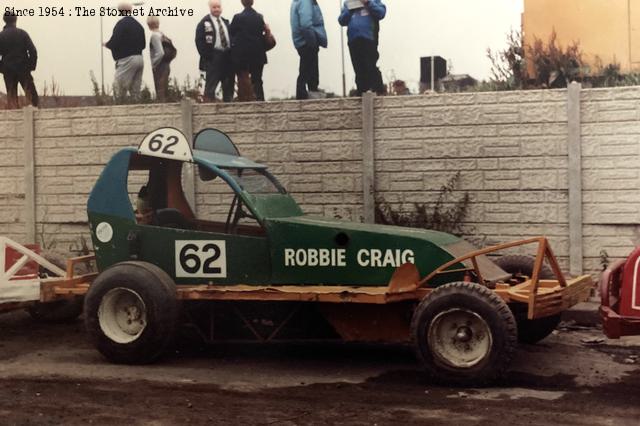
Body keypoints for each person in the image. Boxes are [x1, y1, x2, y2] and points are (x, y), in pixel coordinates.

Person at [338, 0, 386, 95]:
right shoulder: (348, 2)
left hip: (369, 38)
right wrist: (349, 9)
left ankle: (377, 89)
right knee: (358, 66)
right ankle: (361, 90)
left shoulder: (374, 1)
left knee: (370, 64)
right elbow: (341, 20)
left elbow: (381, 12)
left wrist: (368, 3)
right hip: (353, 39)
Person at [230, 0, 271, 101]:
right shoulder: (259, 17)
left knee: (243, 80)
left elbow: (231, 33)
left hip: (242, 55)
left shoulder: (238, 18)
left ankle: (244, 100)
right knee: (257, 79)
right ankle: (260, 100)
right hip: (258, 53)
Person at [104, 2, 146, 100]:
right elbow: (143, 44)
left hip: (127, 60)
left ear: (120, 11)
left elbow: (115, 41)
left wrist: (107, 44)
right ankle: (137, 110)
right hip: (140, 58)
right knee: (135, 91)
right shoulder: (139, 26)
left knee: (119, 89)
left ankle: (118, 110)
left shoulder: (121, 24)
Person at [195, 0, 234, 102]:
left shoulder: (226, 22)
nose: (217, 9)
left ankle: (228, 108)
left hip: (227, 57)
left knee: (228, 86)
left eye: (218, 7)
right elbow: (199, 41)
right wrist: (208, 56)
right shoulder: (204, 23)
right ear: (210, 8)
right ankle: (209, 109)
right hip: (213, 57)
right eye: (214, 7)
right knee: (211, 87)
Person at [290, 0, 327, 100]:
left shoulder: (298, 2)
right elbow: (306, 24)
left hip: (301, 42)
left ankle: (310, 91)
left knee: (307, 70)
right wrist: (313, 41)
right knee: (306, 71)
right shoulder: (305, 2)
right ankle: (304, 95)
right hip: (307, 42)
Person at [0, 13, 38, 109]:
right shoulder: (22, 34)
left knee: (12, 99)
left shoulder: (1, 36)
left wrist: (2, 68)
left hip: (8, 70)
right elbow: (33, 51)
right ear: (15, 20)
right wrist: (31, 66)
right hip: (23, 68)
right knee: (32, 97)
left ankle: (15, 122)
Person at [147, 16, 175, 102]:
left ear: (148, 25)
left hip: (160, 66)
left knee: (160, 91)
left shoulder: (154, 36)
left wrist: (154, 63)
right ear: (158, 23)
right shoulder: (162, 35)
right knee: (164, 89)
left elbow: (160, 53)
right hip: (166, 65)